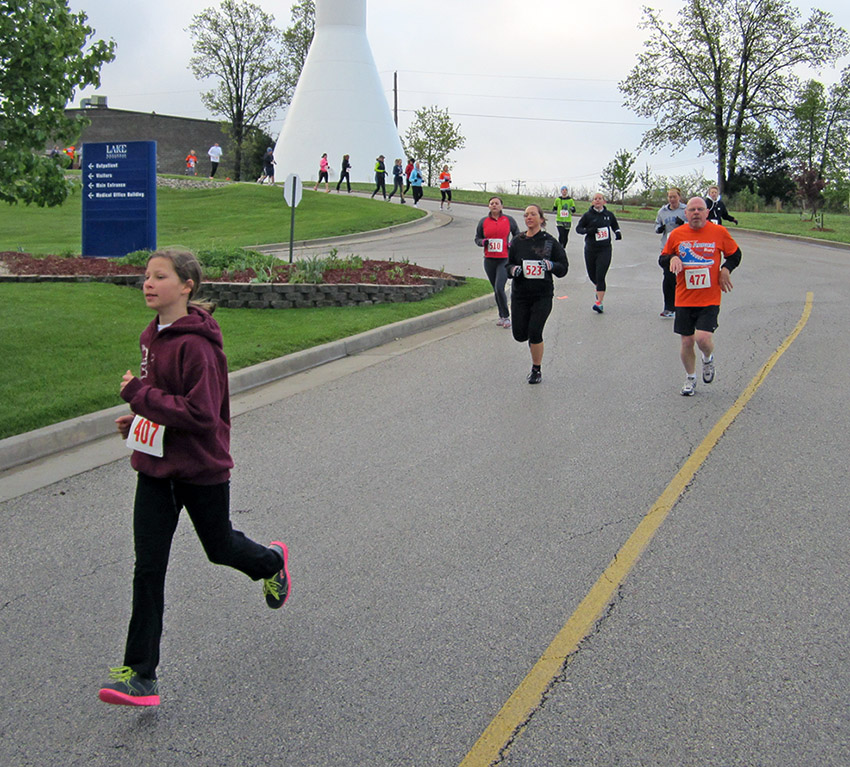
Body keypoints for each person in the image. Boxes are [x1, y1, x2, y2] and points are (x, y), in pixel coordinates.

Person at [99, 249, 291, 707]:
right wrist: (139, 419)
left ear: (186, 286)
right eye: (146, 276)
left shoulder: (198, 347)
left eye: (159, 277)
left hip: (201, 468)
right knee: (148, 568)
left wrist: (139, 396)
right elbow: (164, 400)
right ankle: (141, 676)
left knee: (219, 547)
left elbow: (201, 414)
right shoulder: (151, 336)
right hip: (155, 469)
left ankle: (271, 563)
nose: (148, 284)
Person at [658, 197, 742, 396]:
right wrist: (673, 258)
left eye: (700, 209)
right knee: (687, 341)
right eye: (692, 210)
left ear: (706, 213)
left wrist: (726, 269)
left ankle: (708, 358)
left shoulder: (719, 232)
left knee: (702, 338)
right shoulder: (677, 234)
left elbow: (735, 255)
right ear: (686, 214)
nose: (696, 212)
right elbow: (662, 258)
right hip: (684, 297)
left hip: (709, 297)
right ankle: (690, 378)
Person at [505, 205, 569, 383]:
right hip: (520, 295)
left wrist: (551, 266)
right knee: (519, 335)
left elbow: (563, 267)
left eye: (533, 214)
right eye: (526, 215)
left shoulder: (550, 242)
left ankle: (536, 370)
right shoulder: (517, 241)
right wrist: (514, 270)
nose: (529, 217)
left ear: (541, 219)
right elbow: (508, 265)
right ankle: (532, 343)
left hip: (542, 295)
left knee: (535, 332)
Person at [474, 196, 519, 328]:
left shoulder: (508, 220)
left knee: (500, 287)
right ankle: (501, 315)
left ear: (501, 206)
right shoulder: (483, 221)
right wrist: (483, 242)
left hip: (504, 259)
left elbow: (517, 234)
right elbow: (477, 238)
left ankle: (506, 317)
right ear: (489, 206)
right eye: (492, 203)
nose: (494, 205)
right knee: (496, 289)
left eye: (497, 203)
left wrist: (511, 244)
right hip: (489, 260)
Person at [575, 192, 622, 314]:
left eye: (600, 198)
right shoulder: (587, 216)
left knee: (600, 276)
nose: (597, 200)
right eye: (595, 199)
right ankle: (599, 289)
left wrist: (617, 232)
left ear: (604, 201)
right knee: (592, 276)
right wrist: (588, 231)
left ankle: (599, 303)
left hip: (605, 249)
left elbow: (615, 225)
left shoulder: (609, 215)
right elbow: (578, 229)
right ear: (592, 202)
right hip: (590, 249)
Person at [655, 187, 688, 318]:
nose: (672, 199)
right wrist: (659, 228)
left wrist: (683, 223)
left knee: (682, 278)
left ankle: (683, 306)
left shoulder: (686, 210)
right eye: (670, 197)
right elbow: (656, 225)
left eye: (674, 197)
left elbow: (694, 225)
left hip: (683, 248)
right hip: (667, 248)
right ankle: (669, 307)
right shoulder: (662, 211)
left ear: (679, 197)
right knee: (668, 277)